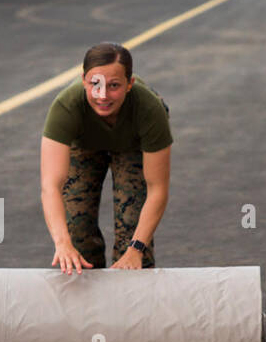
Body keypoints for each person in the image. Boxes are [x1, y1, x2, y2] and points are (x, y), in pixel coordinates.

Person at [40, 43, 172, 274]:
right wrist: (63, 244)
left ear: (129, 84)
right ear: (83, 81)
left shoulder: (150, 109)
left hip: (133, 145)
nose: (103, 96)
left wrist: (136, 249)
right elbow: (51, 186)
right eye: (95, 85)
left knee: (132, 235)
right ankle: (85, 305)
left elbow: (157, 189)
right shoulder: (66, 106)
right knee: (76, 235)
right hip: (85, 144)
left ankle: (134, 304)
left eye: (113, 86)